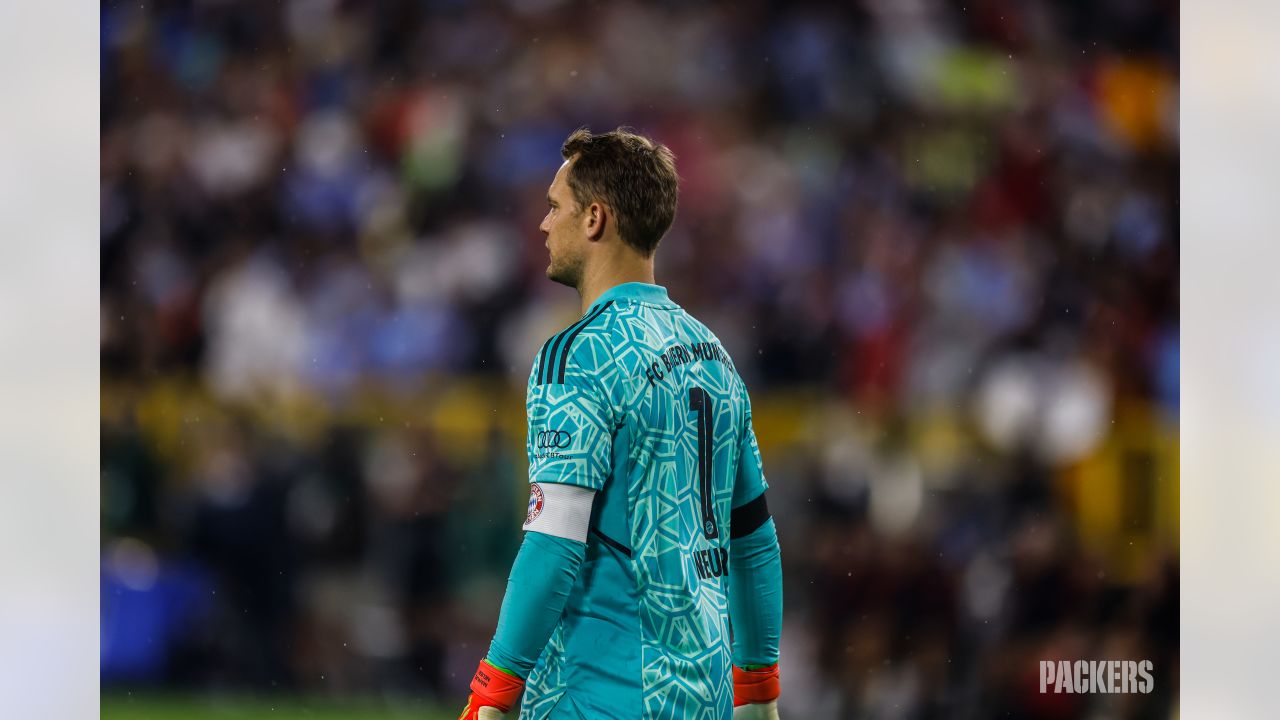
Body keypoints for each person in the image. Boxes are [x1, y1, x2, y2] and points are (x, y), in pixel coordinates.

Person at [458, 128, 784, 720]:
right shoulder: (713, 354)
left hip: (597, 698)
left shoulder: (577, 355)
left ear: (594, 219)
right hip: (701, 700)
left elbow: (554, 546)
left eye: (556, 206)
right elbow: (754, 540)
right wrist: (758, 691)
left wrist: (493, 691)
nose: (543, 224)